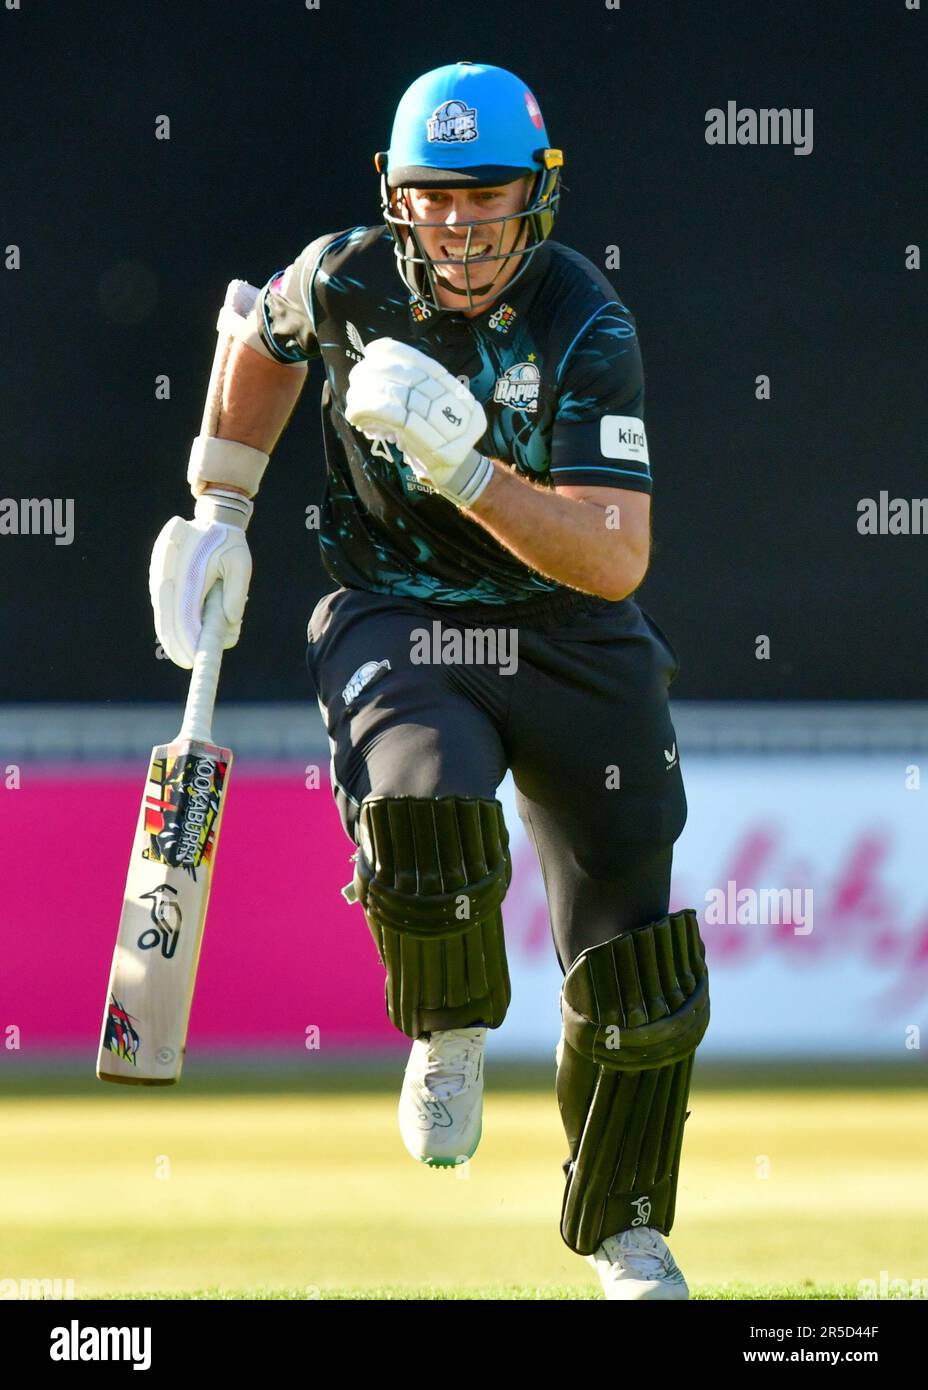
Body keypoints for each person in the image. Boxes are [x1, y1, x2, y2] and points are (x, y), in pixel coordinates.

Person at [149, 60, 709, 1301]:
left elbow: (617, 557)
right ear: (395, 197)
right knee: (421, 814)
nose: (457, 227)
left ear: (535, 195)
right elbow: (262, 334)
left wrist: (468, 473)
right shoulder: (347, 273)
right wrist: (219, 505)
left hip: (568, 629)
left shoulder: (583, 321)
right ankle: (449, 1025)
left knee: (641, 976)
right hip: (396, 613)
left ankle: (624, 1231)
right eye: (430, 197)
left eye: (485, 196)